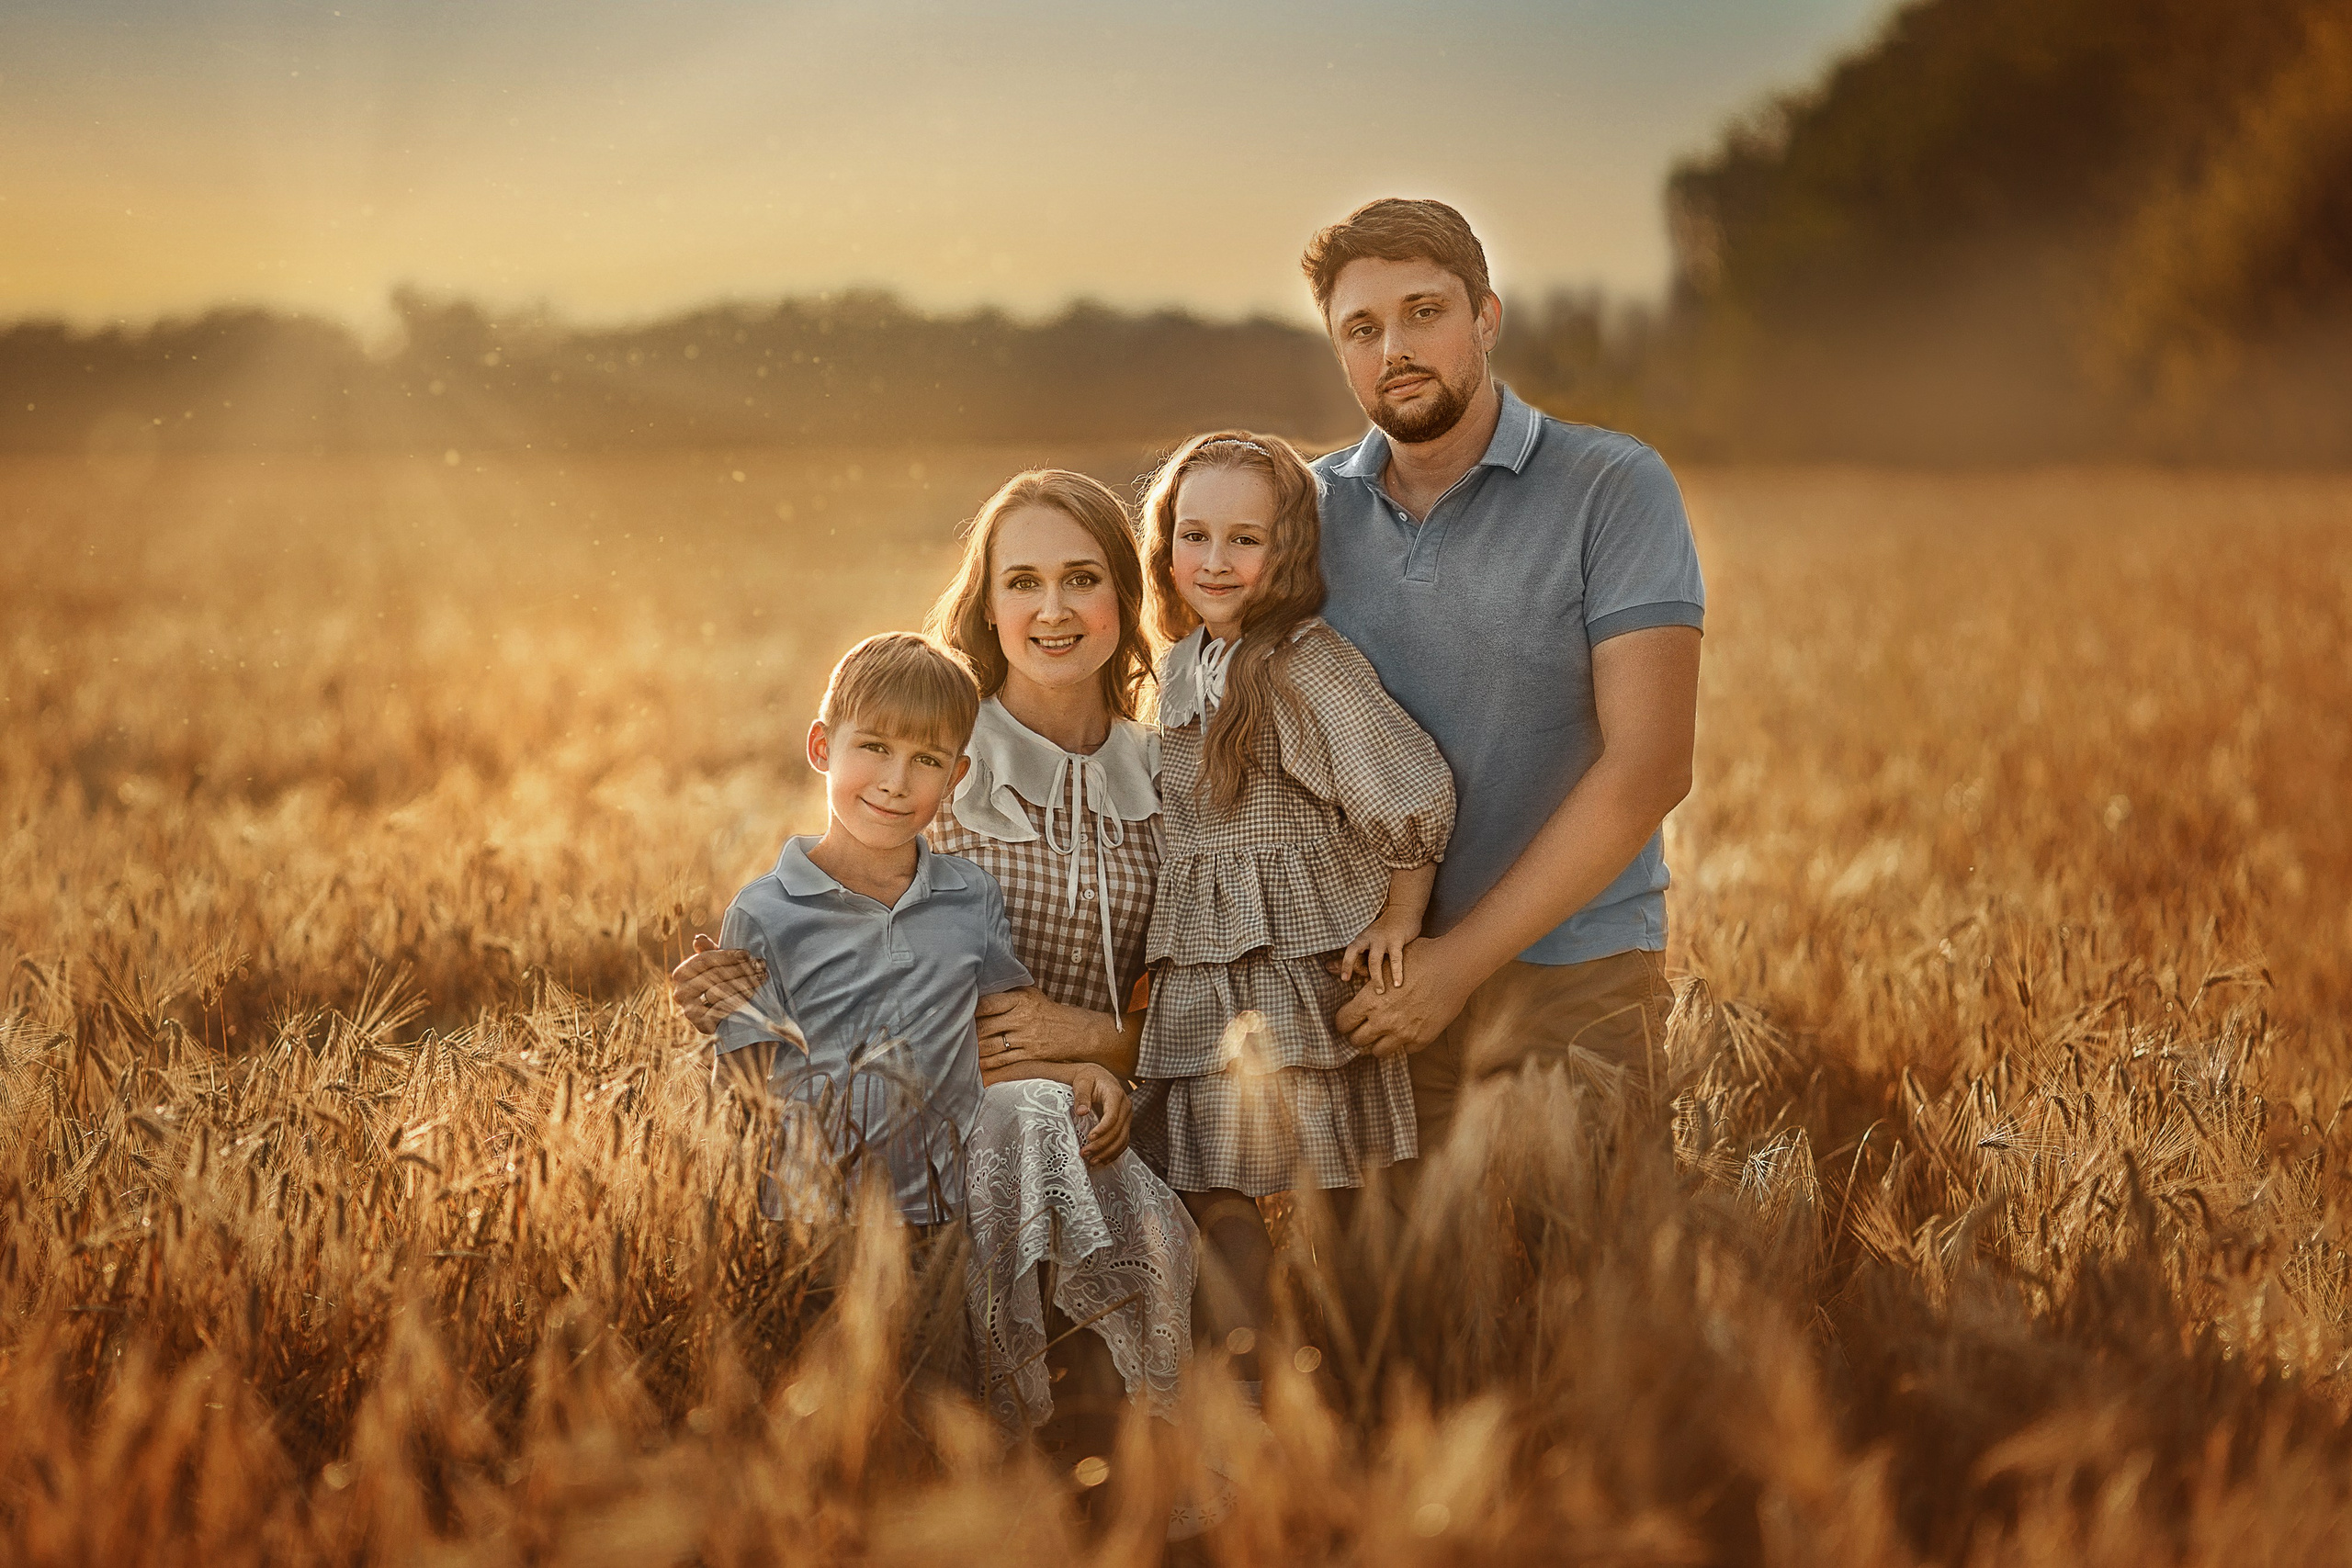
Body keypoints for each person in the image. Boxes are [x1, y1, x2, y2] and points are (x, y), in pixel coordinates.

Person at [1302, 198, 1706, 1163]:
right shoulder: (1302, 513)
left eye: (1423, 312)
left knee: (1592, 1306)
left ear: (1486, 316)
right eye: (1362, 329)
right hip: (1364, 988)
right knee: (1393, 1313)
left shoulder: (1612, 487)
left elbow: (1649, 765)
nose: (1393, 347)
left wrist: (1454, 970)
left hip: (1575, 978)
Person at [1131, 430, 1455, 1387]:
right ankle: (1246, 1384)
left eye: (1245, 539)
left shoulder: (1302, 663)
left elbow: (1408, 786)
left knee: (1334, 1185)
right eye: (1195, 536)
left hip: (1292, 973)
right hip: (1201, 967)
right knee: (1210, 1183)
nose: (1216, 561)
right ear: (1166, 546)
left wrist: (1402, 913)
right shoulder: (1178, 666)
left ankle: (1369, 1384)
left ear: (1289, 552)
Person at [921, 468, 1196, 1443]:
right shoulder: (937, 770)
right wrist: (1069, 1068)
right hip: (962, 1122)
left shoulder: (1171, 779)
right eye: (1022, 582)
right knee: (1032, 1117)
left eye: (1081, 578)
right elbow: (904, 1007)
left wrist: (1104, 1048)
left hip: (1138, 1116)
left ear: (1125, 598)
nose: (1052, 609)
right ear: (987, 607)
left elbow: (1227, 997)